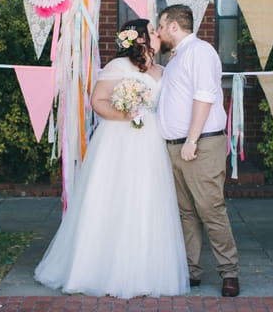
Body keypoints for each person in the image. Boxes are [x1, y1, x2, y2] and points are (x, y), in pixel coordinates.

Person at [34, 19, 189, 298]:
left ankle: (145, 271)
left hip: (151, 142)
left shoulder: (164, 70)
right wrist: (126, 115)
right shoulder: (118, 67)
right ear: (139, 39)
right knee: (113, 199)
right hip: (118, 140)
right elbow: (98, 101)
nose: (157, 35)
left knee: (147, 200)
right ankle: (96, 269)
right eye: (152, 32)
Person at [157, 4, 240, 297]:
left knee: (210, 209)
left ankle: (229, 272)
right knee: (187, 213)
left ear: (173, 26)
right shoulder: (176, 57)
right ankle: (192, 271)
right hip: (177, 147)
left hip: (200, 144)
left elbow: (205, 96)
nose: (157, 32)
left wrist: (192, 140)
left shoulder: (200, 52)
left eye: (160, 26)